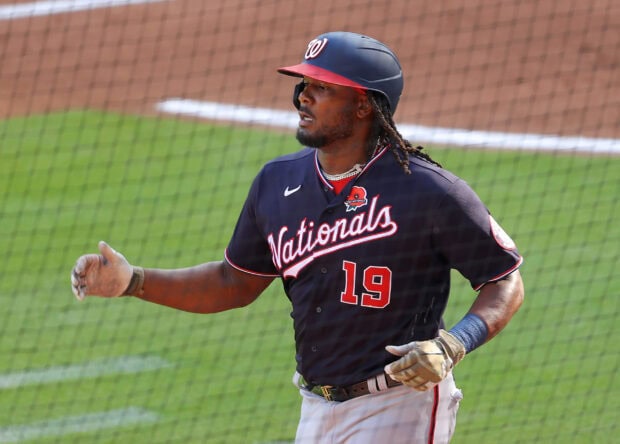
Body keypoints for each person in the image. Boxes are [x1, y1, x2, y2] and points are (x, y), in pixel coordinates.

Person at [71, 31, 524, 443]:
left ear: (364, 104)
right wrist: (135, 281)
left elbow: (504, 279)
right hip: (315, 406)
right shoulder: (277, 182)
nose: (303, 97)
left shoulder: (429, 191)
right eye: (303, 85)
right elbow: (234, 282)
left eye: (322, 88)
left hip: (398, 404)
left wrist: (452, 343)